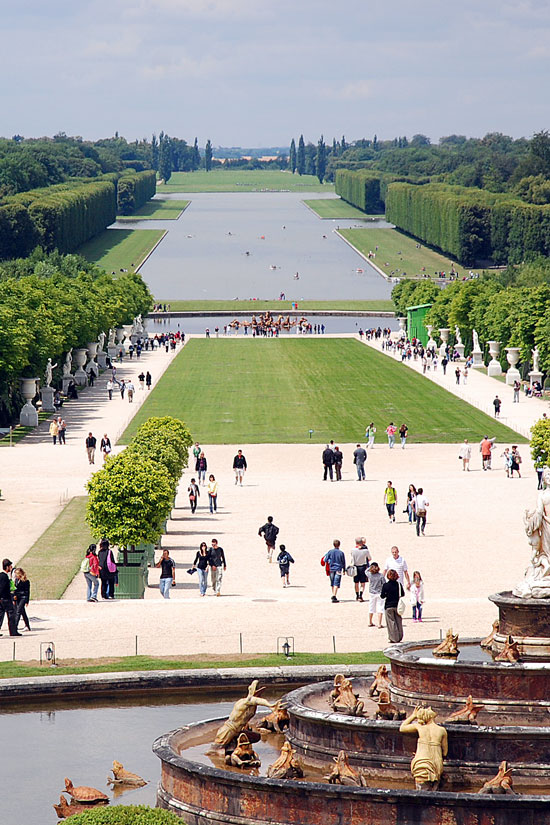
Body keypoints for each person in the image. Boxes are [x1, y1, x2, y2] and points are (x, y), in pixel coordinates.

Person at [381, 569, 405, 643]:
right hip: (397, 605)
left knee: (391, 622)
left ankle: (394, 638)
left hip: (388, 605)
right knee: (398, 621)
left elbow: (382, 596)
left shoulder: (386, 585)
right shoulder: (398, 584)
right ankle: (399, 636)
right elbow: (403, 594)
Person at [0, 559, 20, 636]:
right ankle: (13, 631)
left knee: (1, 615)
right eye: (10, 566)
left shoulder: (1, 575)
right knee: (11, 614)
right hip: (5, 599)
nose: (11, 568)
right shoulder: (4, 576)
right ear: (7, 567)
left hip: (2, 599)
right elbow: (3, 588)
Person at [351, 537, 371, 602]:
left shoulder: (353, 550)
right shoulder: (365, 551)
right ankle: (360, 595)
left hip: (355, 567)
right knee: (362, 583)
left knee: (356, 582)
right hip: (362, 567)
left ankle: (357, 595)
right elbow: (369, 558)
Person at [367, 562, 385, 628]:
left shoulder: (370, 575)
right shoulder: (381, 575)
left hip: (372, 593)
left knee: (371, 607)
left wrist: (370, 567)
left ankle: (370, 621)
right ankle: (379, 623)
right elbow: (384, 583)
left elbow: (365, 571)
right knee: (380, 608)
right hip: (379, 592)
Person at [13, 568, 31, 632]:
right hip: (18, 598)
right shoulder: (16, 580)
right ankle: (27, 625)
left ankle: (15, 626)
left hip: (23, 597)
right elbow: (15, 589)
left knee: (18, 611)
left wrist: (27, 601)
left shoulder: (26, 581)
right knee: (23, 612)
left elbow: (27, 591)